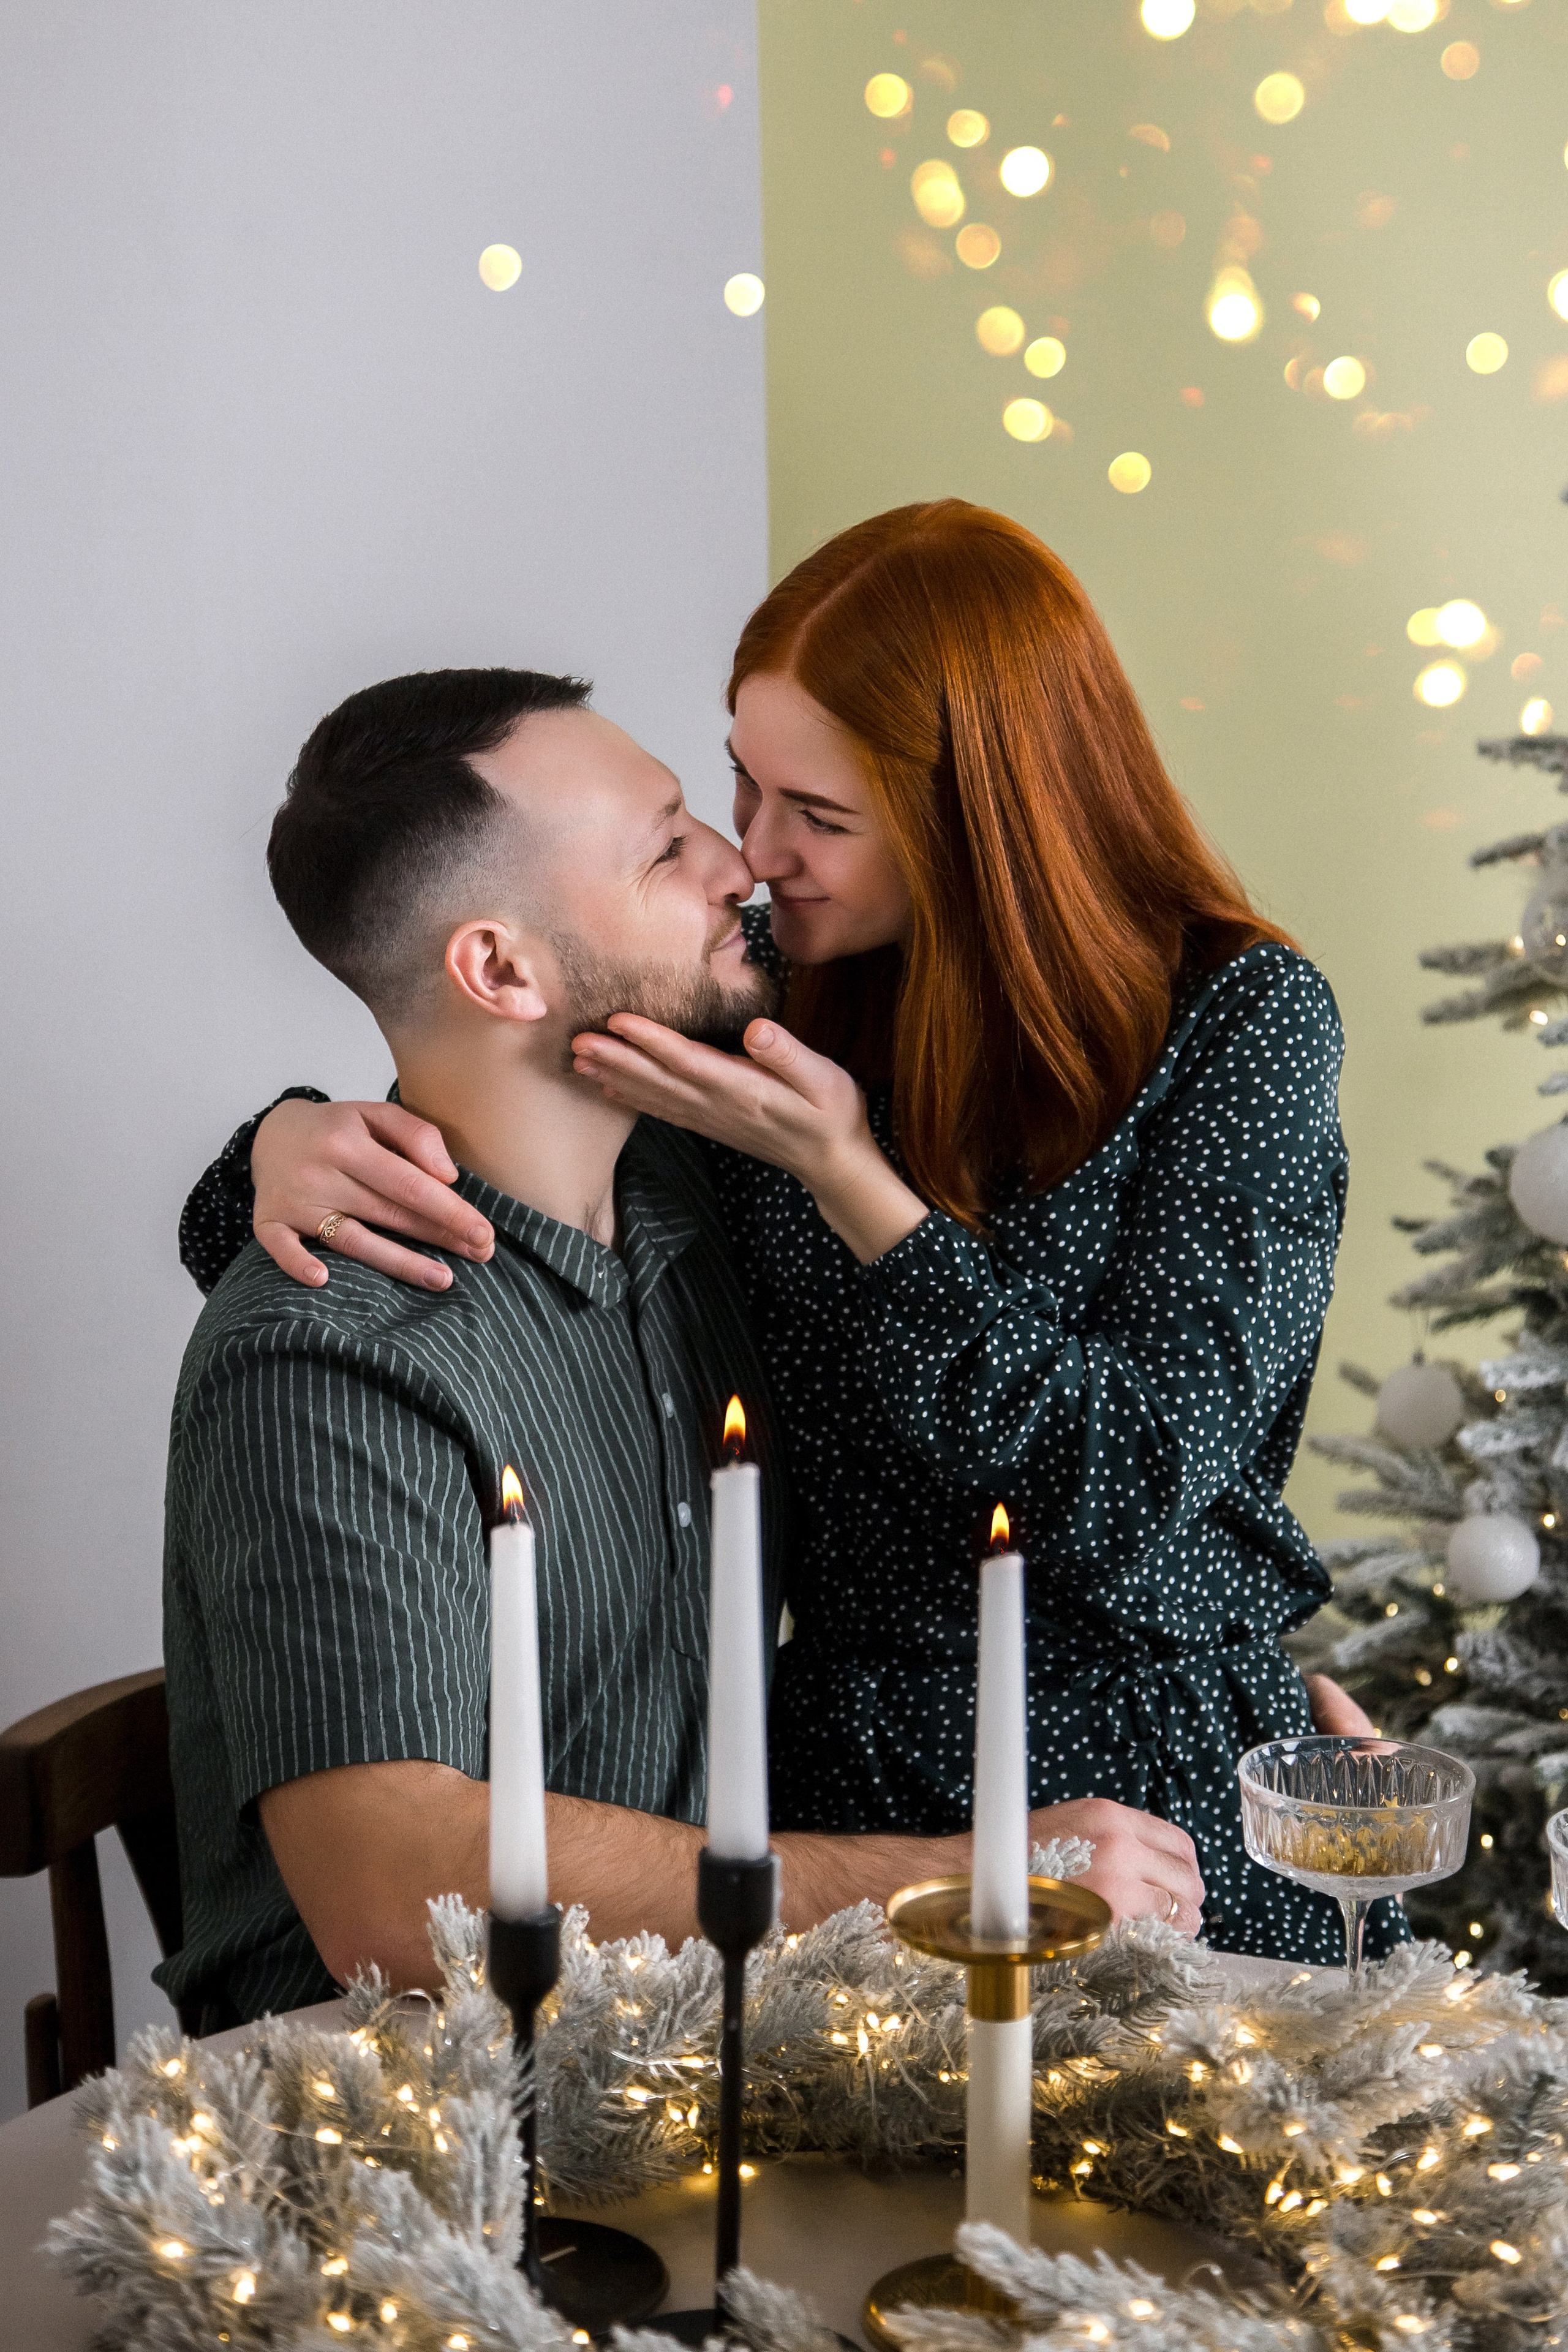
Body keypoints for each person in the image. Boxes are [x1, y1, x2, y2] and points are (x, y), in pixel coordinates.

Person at [182, 502, 1381, 1967]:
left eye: (813, 818)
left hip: (1157, 1791)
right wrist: (271, 1149)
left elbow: (1129, 1486)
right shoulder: (757, 1023)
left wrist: (857, 1187)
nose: (750, 858)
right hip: (840, 1804)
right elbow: (455, 1188)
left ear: (971, 819)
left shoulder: (1227, 1025)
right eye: (738, 793)